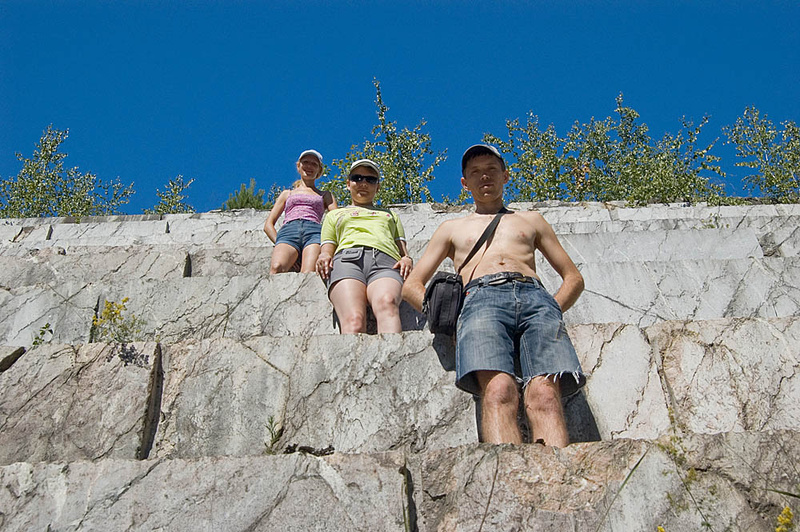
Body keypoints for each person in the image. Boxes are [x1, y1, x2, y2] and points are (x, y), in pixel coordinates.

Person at [402, 144, 586, 447]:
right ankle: (508, 474)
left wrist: (552, 307)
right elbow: (411, 285)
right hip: (479, 300)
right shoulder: (451, 228)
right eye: (475, 172)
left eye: (491, 169)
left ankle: (556, 472)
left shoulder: (532, 220)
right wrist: (450, 319)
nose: (484, 176)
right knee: (499, 391)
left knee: (545, 395)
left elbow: (573, 278)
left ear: (505, 176)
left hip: (536, 299)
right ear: (464, 183)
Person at [316, 159, 413, 334]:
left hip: (386, 263)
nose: (363, 183)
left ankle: (390, 352)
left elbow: (403, 251)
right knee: (354, 320)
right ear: (348, 184)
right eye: (357, 178)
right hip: (347, 260)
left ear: (378, 187)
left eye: (370, 179)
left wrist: (406, 259)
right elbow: (327, 248)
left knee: (387, 303)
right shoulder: (334, 215)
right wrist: (324, 255)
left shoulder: (390, 215)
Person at [264, 149, 337, 273]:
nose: (309, 166)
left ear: (319, 170)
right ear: (298, 166)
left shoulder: (325, 195)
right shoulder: (287, 193)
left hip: (314, 232)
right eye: (305, 162)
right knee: (277, 267)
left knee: (308, 273)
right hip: (288, 232)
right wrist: (279, 242)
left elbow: (337, 218)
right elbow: (268, 225)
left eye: (314, 164)